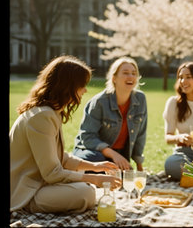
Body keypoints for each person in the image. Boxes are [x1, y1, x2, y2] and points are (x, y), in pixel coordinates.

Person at [10, 55, 122, 213]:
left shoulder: (52, 112)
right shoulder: (41, 117)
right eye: (82, 85)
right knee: (86, 192)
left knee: (84, 188)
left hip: (40, 184)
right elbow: (52, 173)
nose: (85, 90)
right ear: (68, 86)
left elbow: (60, 157)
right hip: (24, 192)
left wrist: (95, 167)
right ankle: (28, 206)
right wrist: (94, 178)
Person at [73, 57, 147, 171]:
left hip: (118, 154)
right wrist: (112, 154)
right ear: (114, 78)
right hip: (91, 151)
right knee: (99, 161)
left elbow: (140, 135)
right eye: (125, 73)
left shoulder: (140, 99)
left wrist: (139, 167)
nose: (131, 77)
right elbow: (87, 137)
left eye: (134, 73)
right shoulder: (99, 102)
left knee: (118, 172)